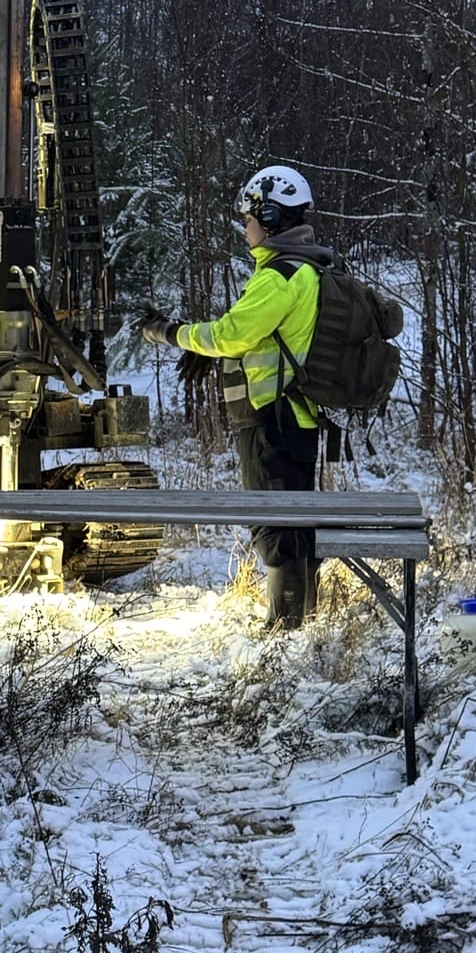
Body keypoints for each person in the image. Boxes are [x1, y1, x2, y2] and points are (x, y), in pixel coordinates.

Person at [144, 165, 329, 630]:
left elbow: (231, 333)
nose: (245, 227)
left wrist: (171, 333)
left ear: (270, 217)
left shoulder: (280, 275)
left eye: (249, 217)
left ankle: (285, 628)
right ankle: (302, 622)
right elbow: (254, 337)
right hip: (294, 419)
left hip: (272, 420)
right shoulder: (304, 267)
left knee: (275, 526)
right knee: (295, 524)